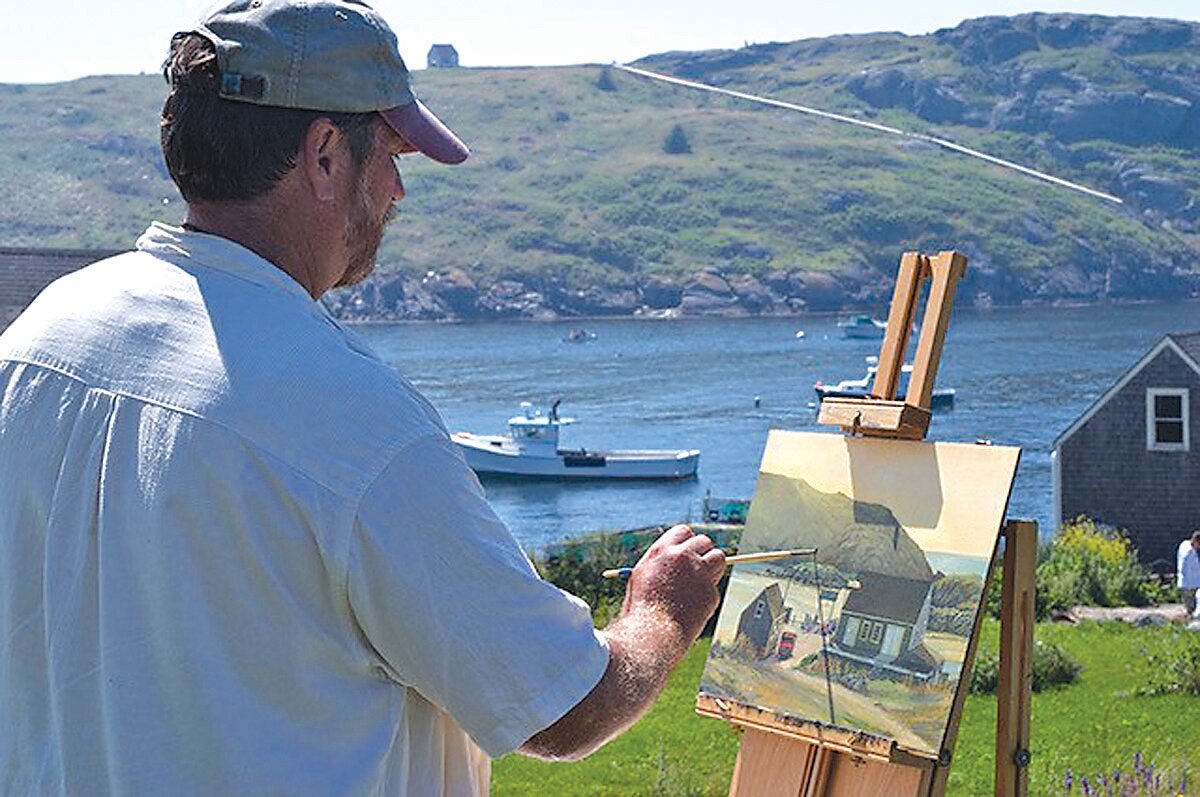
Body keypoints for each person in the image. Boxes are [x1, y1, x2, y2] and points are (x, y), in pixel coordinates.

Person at [0, 1, 725, 794]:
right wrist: (662, 611)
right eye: (389, 153)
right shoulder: (352, 420)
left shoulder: (38, 341)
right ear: (321, 155)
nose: (398, 190)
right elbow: (560, 708)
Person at [1178, 529, 1200, 619]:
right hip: (1189, 584)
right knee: (1191, 608)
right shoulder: (1189, 552)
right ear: (1195, 541)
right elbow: (1185, 568)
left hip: (1192, 583)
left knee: (1194, 608)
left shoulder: (1184, 544)